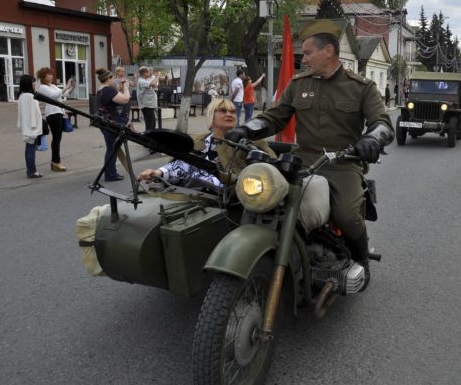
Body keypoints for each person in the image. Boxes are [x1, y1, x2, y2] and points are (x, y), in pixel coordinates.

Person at [224, 19, 394, 288]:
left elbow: (382, 123)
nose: (303, 59)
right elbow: (275, 117)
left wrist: (372, 139)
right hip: (302, 160)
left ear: (328, 51)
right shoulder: (298, 84)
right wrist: (246, 128)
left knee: (346, 215)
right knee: (264, 199)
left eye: (308, 53)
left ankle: (361, 259)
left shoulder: (361, 87)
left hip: (342, 163)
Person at [137, 98, 276, 187]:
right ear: (211, 115)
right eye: (223, 111)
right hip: (190, 195)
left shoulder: (251, 142)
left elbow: (271, 171)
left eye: (233, 112)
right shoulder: (197, 141)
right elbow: (182, 166)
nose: (229, 114)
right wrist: (157, 173)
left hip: (225, 202)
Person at [36, 67, 76, 172]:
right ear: (43, 77)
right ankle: (56, 162)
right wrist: (67, 86)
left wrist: (72, 87)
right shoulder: (42, 87)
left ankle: (55, 162)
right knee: (56, 138)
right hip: (52, 113)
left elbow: (64, 94)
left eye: (51, 74)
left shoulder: (53, 86)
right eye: (49, 74)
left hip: (59, 112)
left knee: (58, 138)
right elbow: (53, 96)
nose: (51, 76)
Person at [96, 67, 130, 181]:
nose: (114, 80)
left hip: (107, 122)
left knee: (111, 148)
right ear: (107, 79)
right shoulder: (108, 90)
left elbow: (114, 99)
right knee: (112, 148)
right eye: (112, 78)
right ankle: (110, 174)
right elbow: (125, 99)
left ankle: (111, 172)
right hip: (113, 122)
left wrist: (118, 89)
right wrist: (126, 87)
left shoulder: (101, 89)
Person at [17, 74, 43, 179]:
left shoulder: (22, 95)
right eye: (33, 82)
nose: (34, 84)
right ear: (28, 84)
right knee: (31, 149)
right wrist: (36, 127)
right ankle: (32, 171)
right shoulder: (30, 96)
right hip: (32, 127)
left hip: (27, 126)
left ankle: (30, 170)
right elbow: (35, 112)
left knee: (28, 148)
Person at [137, 66, 160, 132]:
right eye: (148, 72)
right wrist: (158, 76)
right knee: (150, 124)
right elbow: (153, 83)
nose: (149, 73)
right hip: (146, 106)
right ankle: (148, 136)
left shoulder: (145, 80)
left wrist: (154, 77)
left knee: (152, 123)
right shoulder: (141, 81)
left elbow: (154, 85)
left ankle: (150, 135)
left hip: (149, 105)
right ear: (145, 73)